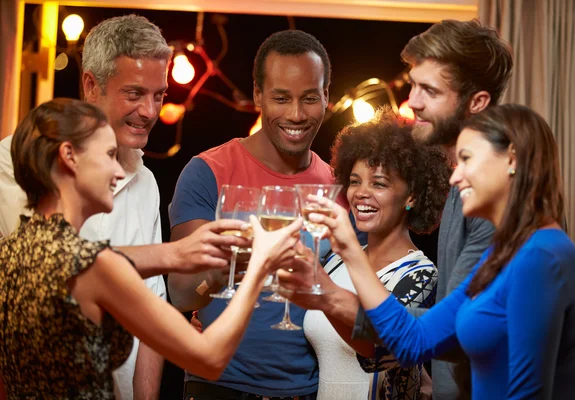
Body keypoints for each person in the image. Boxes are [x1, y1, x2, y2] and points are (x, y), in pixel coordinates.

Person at [0, 98, 303, 400]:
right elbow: (209, 358)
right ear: (69, 157)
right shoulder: (95, 266)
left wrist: (180, 253)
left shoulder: (14, 250)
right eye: (109, 155)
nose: (119, 173)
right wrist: (259, 266)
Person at [0, 14, 230, 400]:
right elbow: (39, 265)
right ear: (91, 85)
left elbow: (152, 311)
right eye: (135, 93)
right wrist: (175, 255)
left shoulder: (146, 181)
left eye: (159, 95)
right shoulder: (11, 164)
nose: (151, 111)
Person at [301, 104, 575, 399]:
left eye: (466, 160)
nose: (454, 178)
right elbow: (414, 340)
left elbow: (527, 394)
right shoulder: (499, 256)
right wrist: (349, 251)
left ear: (511, 160)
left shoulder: (543, 257)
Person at [168, 30, 337, 399]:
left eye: (309, 98)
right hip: (218, 385)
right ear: (258, 94)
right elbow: (181, 294)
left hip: (307, 390)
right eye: (281, 98)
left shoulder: (336, 187)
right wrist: (236, 263)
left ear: (326, 97)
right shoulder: (207, 172)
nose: (296, 114)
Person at [358, 19, 513, 399]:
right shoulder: (462, 183)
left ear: (476, 103)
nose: (412, 101)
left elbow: (464, 333)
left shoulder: (498, 191)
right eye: (413, 84)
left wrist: (330, 293)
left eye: (429, 90)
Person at [285, 107, 450, 399]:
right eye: (355, 180)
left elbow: (384, 346)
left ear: (412, 195)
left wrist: (324, 293)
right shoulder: (335, 262)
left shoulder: (421, 275)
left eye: (379, 183)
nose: (361, 192)